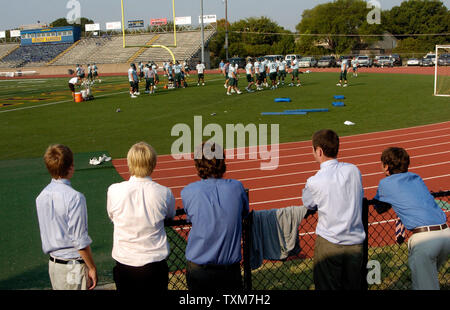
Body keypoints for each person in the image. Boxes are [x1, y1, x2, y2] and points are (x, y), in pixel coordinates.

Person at [373, 147, 450, 290]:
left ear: (386, 167)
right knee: (429, 280)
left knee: (425, 286)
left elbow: (379, 208)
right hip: (446, 233)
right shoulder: (416, 177)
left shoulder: (385, 183)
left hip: (425, 239)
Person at [107, 142, 176, 292]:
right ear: (153, 163)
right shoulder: (164, 193)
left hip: (125, 263)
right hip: (154, 264)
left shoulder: (114, 190)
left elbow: (112, 216)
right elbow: (170, 215)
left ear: (129, 162)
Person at [302, 129, 365, 290]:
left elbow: (308, 203)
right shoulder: (354, 170)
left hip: (330, 242)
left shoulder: (315, 180)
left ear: (319, 151)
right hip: (356, 243)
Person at [181, 142, 249, 291]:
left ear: (198, 165)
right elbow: (244, 213)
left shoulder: (188, 191)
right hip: (229, 270)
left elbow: (191, 217)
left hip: (199, 269)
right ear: (222, 162)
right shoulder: (237, 188)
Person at [36, 144, 97, 290]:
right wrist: (92, 268)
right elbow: (80, 241)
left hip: (54, 265)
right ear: (70, 167)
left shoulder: (41, 196)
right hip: (72, 266)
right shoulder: (75, 198)